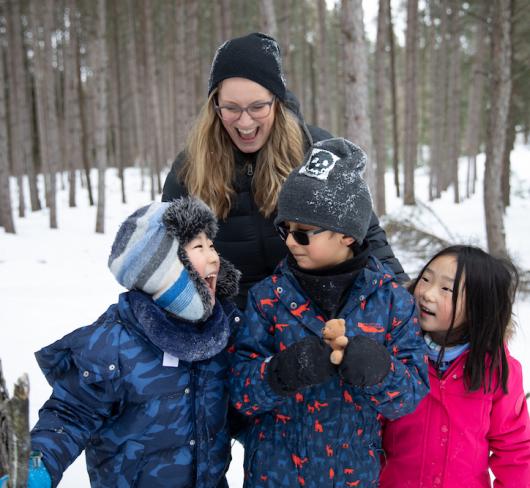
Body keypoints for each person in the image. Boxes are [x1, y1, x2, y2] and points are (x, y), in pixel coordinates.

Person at [228, 138, 429, 487]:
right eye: (284, 229)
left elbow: (409, 398)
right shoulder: (267, 299)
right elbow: (239, 394)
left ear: (348, 236)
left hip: (353, 477)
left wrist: (381, 370)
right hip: (275, 476)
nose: (290, 242)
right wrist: (280, 372)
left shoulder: (393, 301)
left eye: (303, 234)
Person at [162, 32, 408, 309]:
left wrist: (400, 297)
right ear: (215, 105)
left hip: (308, 315)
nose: (244, 122)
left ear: (277, 101)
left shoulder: (315, 150)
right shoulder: (189, 168)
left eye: (257, 107)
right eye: (230, 108)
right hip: (225, 319)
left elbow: (364, 233)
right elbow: (168, 256)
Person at [28, 197, 241, 488]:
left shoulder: (220, 335)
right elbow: (70, 415)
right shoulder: (113, 343)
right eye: (198, 247)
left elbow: (247, 408)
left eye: (212, 245)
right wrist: (38, 466)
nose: (214, 256)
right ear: (163, 269)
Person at [379, 245, 530, 488]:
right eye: (425, 279)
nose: (427, 293)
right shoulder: (397, 353)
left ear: (477, 308)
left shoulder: (497, 370)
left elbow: (515, 451)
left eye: (446, 289)